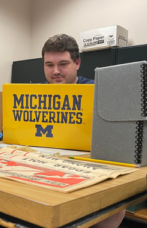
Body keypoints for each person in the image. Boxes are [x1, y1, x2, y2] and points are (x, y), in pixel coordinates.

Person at [41, 34, 125, 228]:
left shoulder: (98, 92)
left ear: (77, 63)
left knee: (116, 207)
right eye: (49, 65)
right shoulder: (36, 94)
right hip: (46, 166)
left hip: (86, 167)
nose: (55, 71)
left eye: (62, 64)